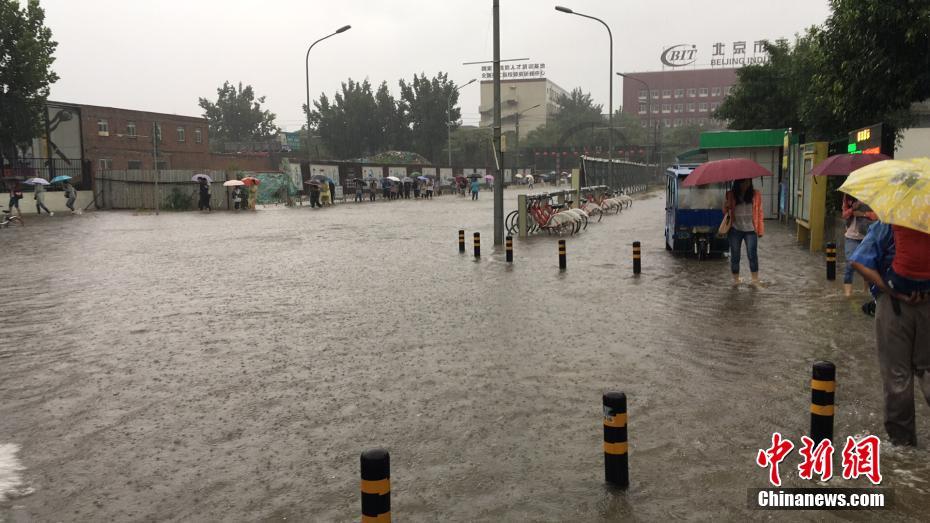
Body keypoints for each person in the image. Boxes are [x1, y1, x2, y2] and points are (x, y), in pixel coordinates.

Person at [850, 222, 930, 446]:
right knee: (927, 371)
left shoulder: (888, 223)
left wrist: (889, 289)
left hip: (894, 306)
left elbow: (858, 261)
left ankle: (903, 448)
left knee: (897, 376)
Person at [723, 178, 764, 286]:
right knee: (735, 255)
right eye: (743, 182)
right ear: (737, 183)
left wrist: (760, 230)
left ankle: (754, 280)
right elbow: (725, 213)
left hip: (751, 229)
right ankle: (736, 280)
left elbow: (759, 212)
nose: (745, 184)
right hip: (735, 229)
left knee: (752, 254)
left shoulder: (756, 194)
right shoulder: (731, 194)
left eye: (748, 182)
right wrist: (726, 206)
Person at [842, 194, 877, 296]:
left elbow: (877, 216)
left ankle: (865, 292)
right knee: (850, 262)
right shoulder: (848, 197)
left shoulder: (872, 197)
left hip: (866, 236)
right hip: (851, 236)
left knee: (867, 264)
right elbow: (844, 215)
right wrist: (853, 208)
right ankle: (848, 295)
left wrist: (863, 214)